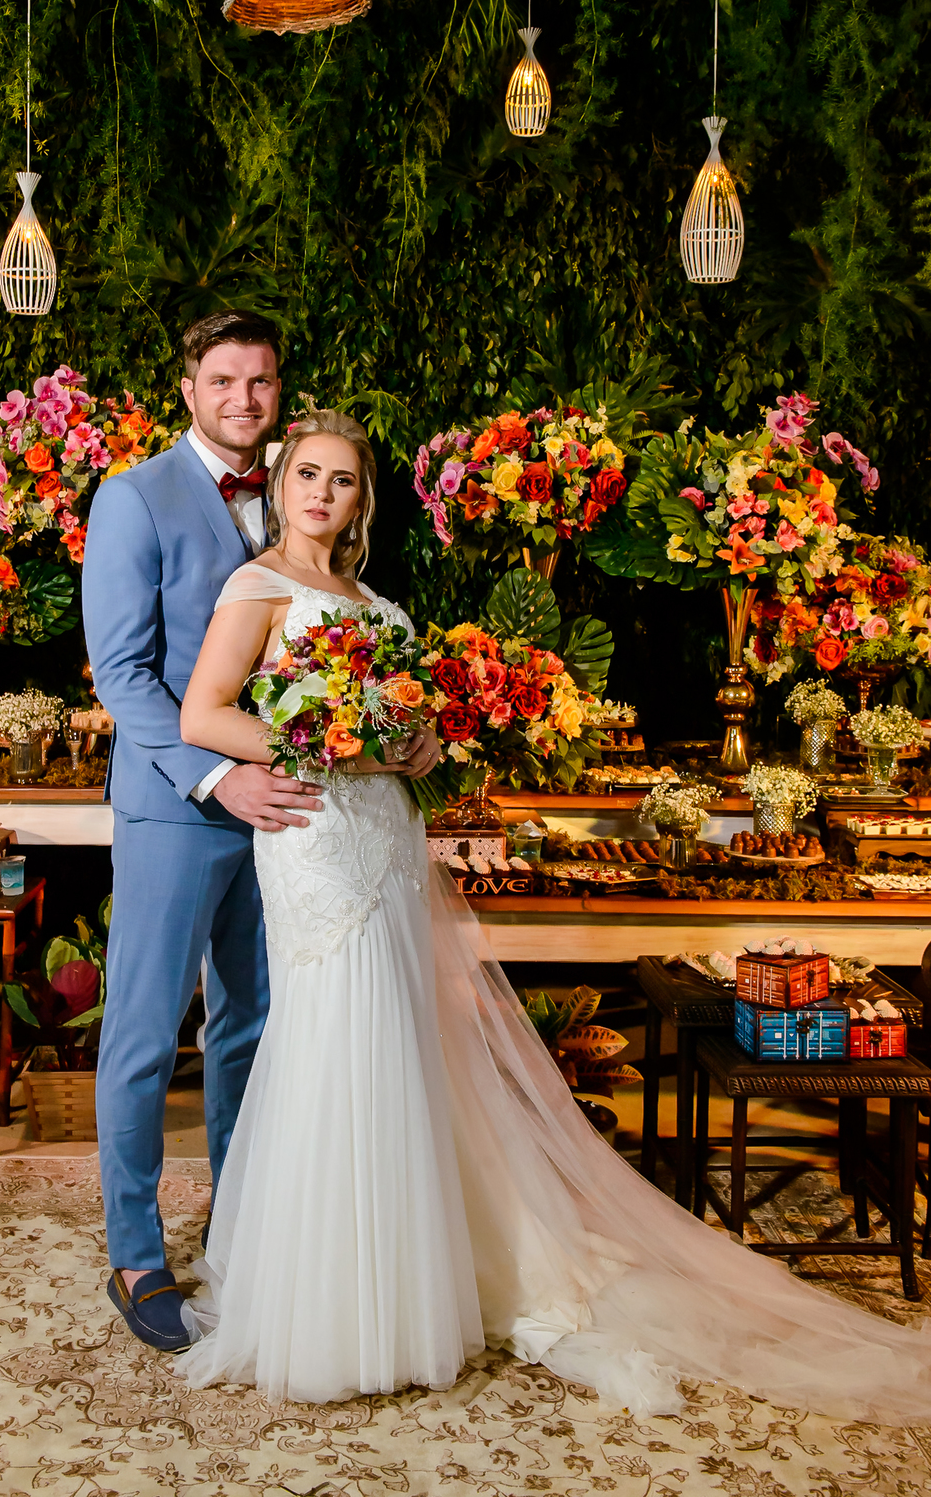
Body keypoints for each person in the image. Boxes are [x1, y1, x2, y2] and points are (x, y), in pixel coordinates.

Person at [173, 407, 931, 1423]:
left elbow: (414, 732)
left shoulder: (377, 606)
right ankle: (328, 1306)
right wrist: (322, 744)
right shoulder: (258, 586)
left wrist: (417, 745)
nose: (322, 493)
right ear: (279, 484)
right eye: (307, 473)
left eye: (342, 479)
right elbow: (205, 713)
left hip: (388, 835)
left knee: (398, 1038)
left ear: (361, 500)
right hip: (314, 837)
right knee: (330, 1034)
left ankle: (407, 1284)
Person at [82, 312, 332, 1354]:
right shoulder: (133, 497)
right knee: (145, 1037)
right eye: (223, 380)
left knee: (251, 1030)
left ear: (279, 390)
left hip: (288, 815)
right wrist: (219, 776)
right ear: (188, 389)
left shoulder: (300, 493)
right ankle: (136, 1257)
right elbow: (122, 673)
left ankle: (241, 1231)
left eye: (260, 381)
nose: (244, 399)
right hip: (175, 808)